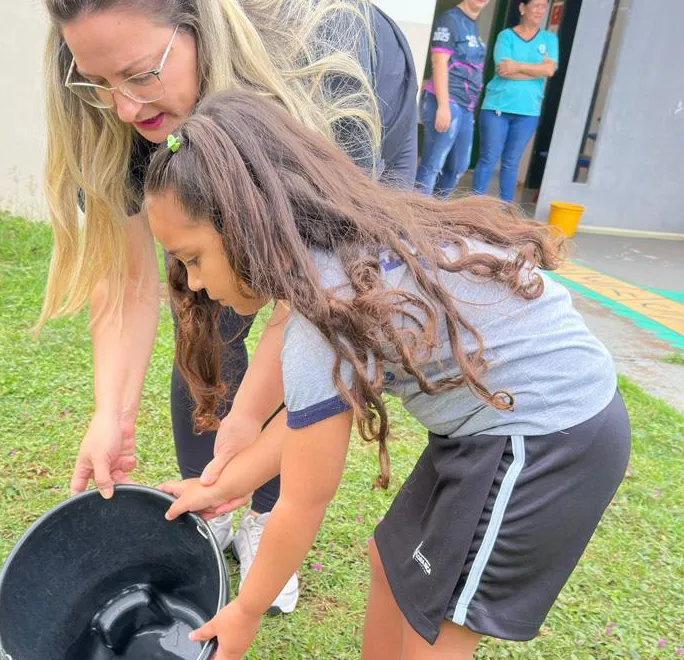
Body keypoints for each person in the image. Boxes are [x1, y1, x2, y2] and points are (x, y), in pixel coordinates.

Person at [149, 89, 630, 659]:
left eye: (193, 257)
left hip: (548, 435)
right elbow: (305, 430)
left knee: (435, 634)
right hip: (489, 424)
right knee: (391, 563)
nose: (193, 281)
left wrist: (247, 609)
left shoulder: (325, 312)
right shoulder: (336, 262)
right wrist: (223, 485)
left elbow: (303, 502)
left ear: (245, 224)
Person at [37, 0, 419, 614]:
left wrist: (247, 418)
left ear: (197, 27)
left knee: (315, 329)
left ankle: (266, 513)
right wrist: (111, 413)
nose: (126, 107)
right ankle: (212, 499)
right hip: (224, 126)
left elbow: (310, 300)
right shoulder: (112, 99)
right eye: (101, 83)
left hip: (332, 101)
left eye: (139, 74)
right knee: (207, 305)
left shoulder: (324, 69)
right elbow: (130, 278)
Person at [472, 0, 559, 202]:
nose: (540, 10)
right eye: (535, 5)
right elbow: (503, 70)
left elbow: (549, 70)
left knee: (511, 163)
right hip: (497, 108)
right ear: (522, 8)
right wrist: (536, 69)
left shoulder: (549, 39)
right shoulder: (506, 36)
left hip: (528, 112)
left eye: (543, 6)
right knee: (488, 158)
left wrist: (517, 67)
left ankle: (506, 214)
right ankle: (474, 207)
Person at [415, 0, 489, 197]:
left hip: (466, 107)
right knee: (433, 164)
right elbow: (439, 62)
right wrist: (443, 106)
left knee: (458, 167)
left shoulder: (472, 23)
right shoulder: (450, 19)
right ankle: (415, 215)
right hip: (448, 102)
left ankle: (435, 214)